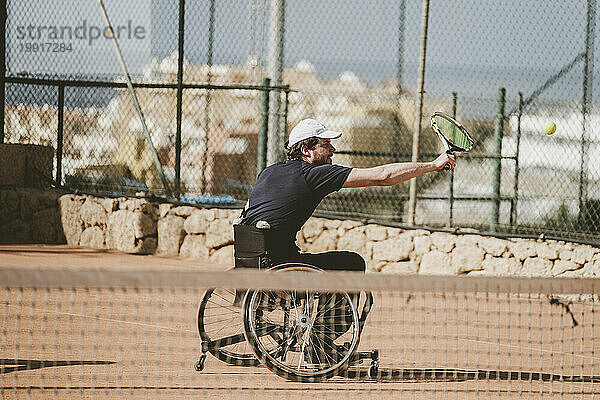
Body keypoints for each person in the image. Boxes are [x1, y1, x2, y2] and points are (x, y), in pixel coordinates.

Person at [236, 118, 455, 272]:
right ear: (306, 150)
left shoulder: (269, 171)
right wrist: (432, 165)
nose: (332, 150)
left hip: (252, 262)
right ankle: (324, 335)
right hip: (282, 266)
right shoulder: (315, 174)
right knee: (352, 263)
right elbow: (383, 176)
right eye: (325, 144)